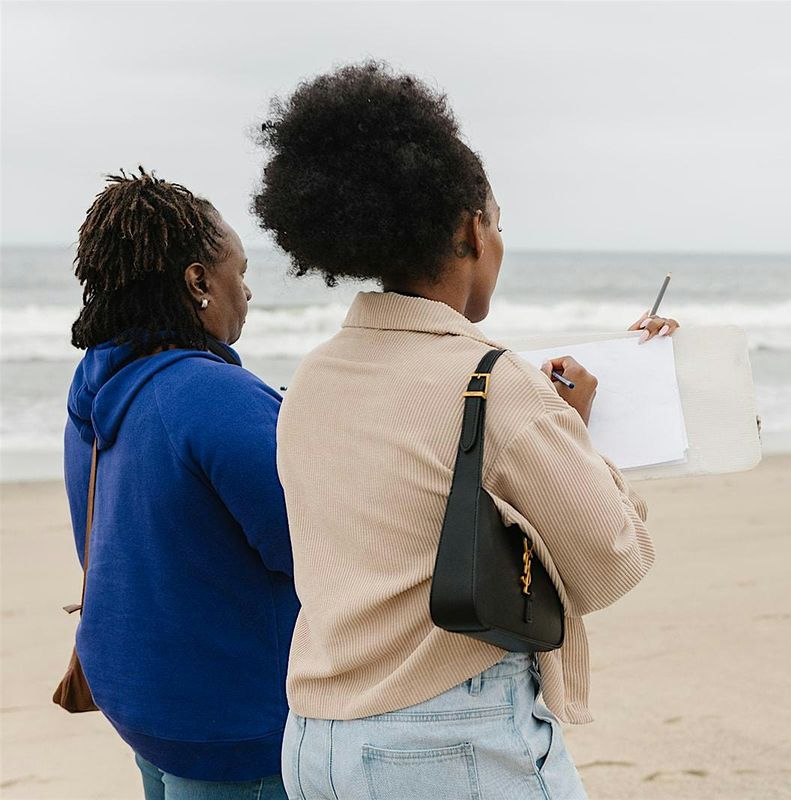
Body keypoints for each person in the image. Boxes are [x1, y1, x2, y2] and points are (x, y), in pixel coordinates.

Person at [253, 61, 679, 799]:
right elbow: (611, 560)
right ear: (470, 229)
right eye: (499, 222)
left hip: (316, 741)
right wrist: (574, 437)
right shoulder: (492, 381)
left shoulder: (315, 377)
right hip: (446, 739)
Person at [63, 168, 296, 799]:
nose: (247, 293)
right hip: (235, 727)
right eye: (239, 274)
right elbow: (307, 550)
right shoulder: (215, 396)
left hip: (145, 701)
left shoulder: (96, 384)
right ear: (198, 281)